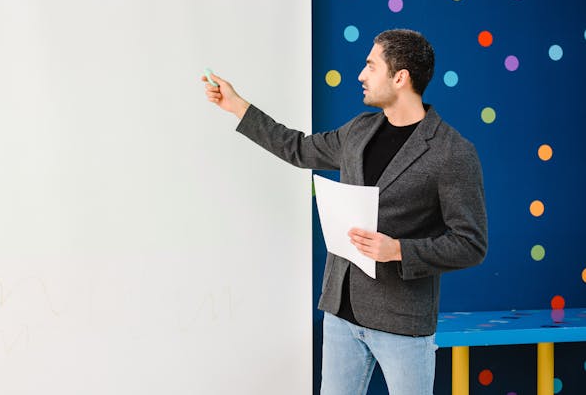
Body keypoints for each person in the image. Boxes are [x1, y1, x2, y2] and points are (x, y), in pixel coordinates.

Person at [202, 29, 487, 395]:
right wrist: (238, 106)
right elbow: (299, 149)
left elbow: (471, 244)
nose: (360, 75)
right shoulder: (359, 130)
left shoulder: (452, 152)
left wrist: (398, 250)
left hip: (402, 322)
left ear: (400, 78)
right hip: (340, 314)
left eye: (371, 65)